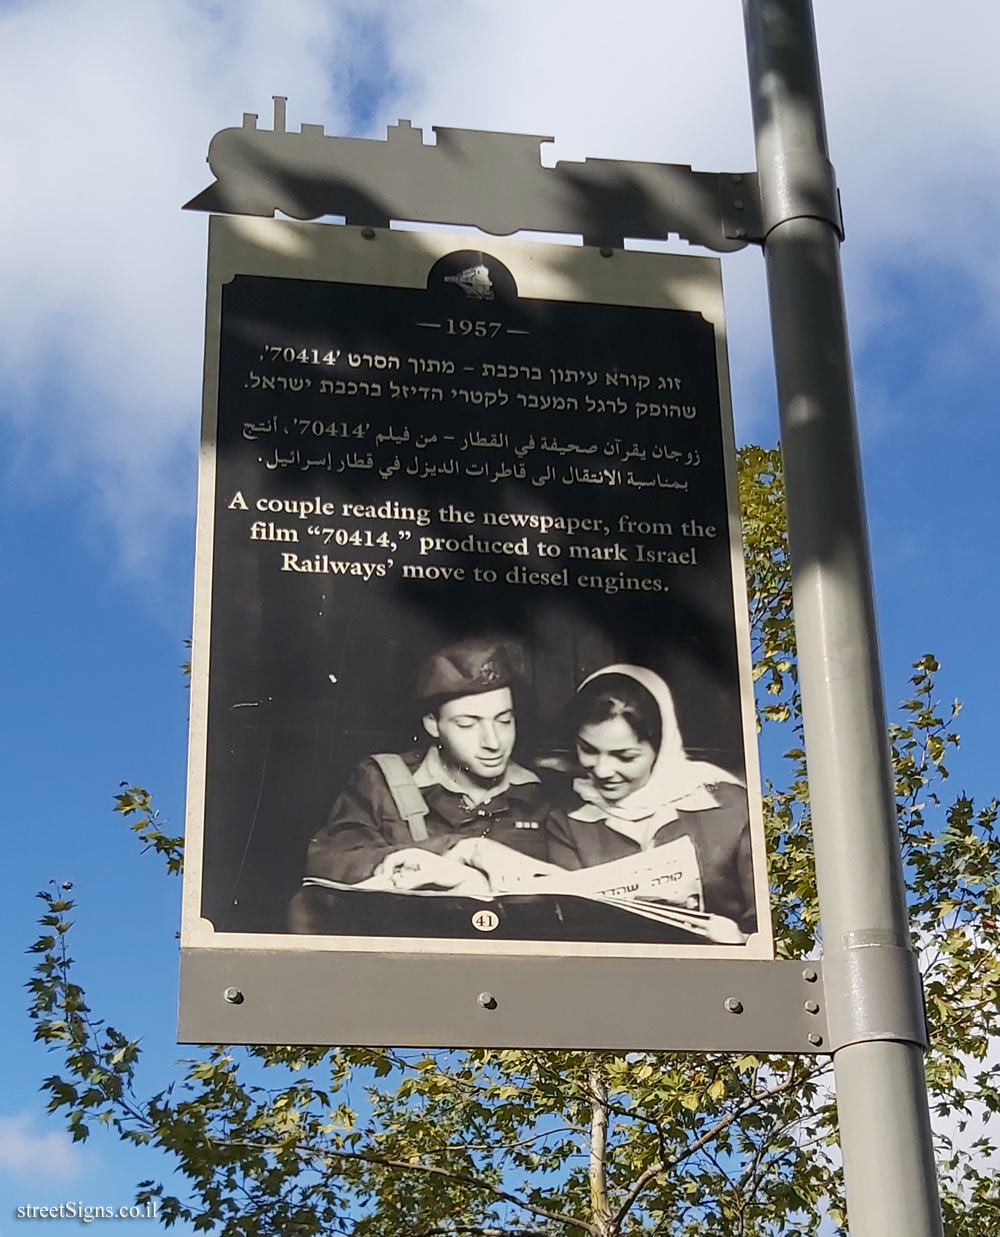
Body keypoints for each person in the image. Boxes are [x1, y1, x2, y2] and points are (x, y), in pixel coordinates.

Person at [288, 638, 559, 927]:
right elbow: (328, 864)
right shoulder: (383, 780)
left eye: (504, 721)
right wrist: (462, 850)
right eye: (468, 724)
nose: (493, 742)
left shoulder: (543, 792)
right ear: (433, 724)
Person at [545, 664, 757, 936]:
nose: (602, 770)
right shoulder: (568, 821)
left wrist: (740, 940)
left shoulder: (731, 807)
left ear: (661, 747)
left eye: (625, 756)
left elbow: (770, 926)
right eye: (588, 750)